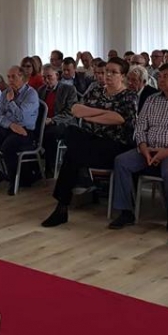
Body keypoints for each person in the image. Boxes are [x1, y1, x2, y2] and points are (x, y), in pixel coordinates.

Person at [41, 57, 137, 227]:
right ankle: (77, 188)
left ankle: (62, 207)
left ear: (122, 76)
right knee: (71, 132)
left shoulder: (129, 95)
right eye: (106, 71)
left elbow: (119, 119)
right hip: (91, 140)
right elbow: (76, 109)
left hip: (115, 144)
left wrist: (90, 114)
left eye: (113, 72)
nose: (108, 75)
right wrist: (103, 114)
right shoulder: (96, 91)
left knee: (72, 155)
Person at [110, 64, 168, 232]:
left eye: (166, 76)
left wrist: (166, 152)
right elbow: (140, 126)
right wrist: (143, 147)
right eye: (160, 76)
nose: (161, 79)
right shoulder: (152, 99)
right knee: (122, 161)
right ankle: (126, 212)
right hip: (149, 149)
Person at [0, 66, 40, 195]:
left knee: (7, 147)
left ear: (22, 77)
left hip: (25, 130)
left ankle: (14, 180)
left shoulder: (31, 94)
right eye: (8, 77)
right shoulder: (5, 93)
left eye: (13, 77)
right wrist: (11, 125)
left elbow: (22, 117)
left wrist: (11, 101)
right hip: (8, 127)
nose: (10, 80)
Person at [38, 65, 78, 177]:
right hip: (45, 122)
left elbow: (70, 112)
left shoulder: (69, 89)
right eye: (44, 77)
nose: (46, 80)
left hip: (64, 123)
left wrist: (52, 120)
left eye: (49, 77)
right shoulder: (41, 90)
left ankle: (50, 167)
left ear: (57, 76)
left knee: (49, 134)